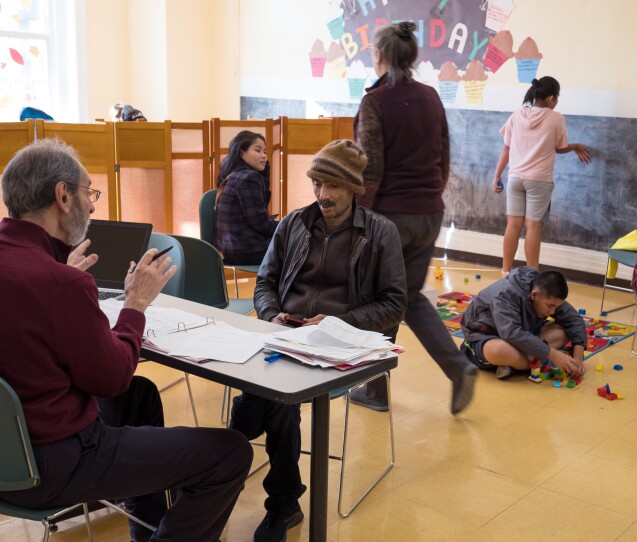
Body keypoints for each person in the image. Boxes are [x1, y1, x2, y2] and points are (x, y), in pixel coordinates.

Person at [0, 140, 253, 542]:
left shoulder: (46, 274)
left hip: (10, 451)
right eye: (89, 193)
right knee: (230, 454)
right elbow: (110, 377)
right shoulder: (61, 284)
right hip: (53, 464)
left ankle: (145, 529)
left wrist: (60, 275)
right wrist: (135, 304)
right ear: (63, 197)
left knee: (138, 397)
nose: (93, 206)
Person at [235, 139, 406, 542]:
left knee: (273, 399)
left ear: (353, 189)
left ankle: (272, 496)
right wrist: (270, 312)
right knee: (270, 393)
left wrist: (338, 321)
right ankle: (277, 497)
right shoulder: (294, 223)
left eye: (333, 187)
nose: (323, 195)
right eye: (316, 183)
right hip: (286, 333)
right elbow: (265, 282)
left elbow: (394, 305)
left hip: (341, 340)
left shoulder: (381, 233)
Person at [354, 21, 477, 415]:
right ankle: (456, 368)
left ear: (380, 56)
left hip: (390, 214)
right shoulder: (430, 97)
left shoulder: (375, 100)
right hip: (428, 211)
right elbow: (444, 156)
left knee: (380, 298)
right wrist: (430, 196)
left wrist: (362, 218)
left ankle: (375, 387)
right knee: (404, 297)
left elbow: (370, 168)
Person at [492, 76, 592, 275]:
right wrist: (576, 147)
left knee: (513, 225)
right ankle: (531, 275)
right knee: (533, 228)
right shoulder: (556, 118)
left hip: (515, 178)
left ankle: (505, 273)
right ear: (552, 99)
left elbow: (506, 148)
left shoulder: (516, 115)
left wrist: (497, 176)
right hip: (539, 181)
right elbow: (560, 147)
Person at [459, 267, 587, 380]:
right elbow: (511, 333)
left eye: (556, 307)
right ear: (534, 295)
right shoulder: (505, 294)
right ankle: (539, 362)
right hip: (485, 338)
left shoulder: (547, 294)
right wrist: (552, 354)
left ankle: (517, 365)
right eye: (550, 306)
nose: (552, 311)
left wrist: (578, 358)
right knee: (500, 350)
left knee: (565, 331)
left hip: (523, 337)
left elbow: (574, 320)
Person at [214, 130, 278, 265]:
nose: (264, 156)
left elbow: (261, 208)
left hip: (227, 250)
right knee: (300, 245)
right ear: (242, 153)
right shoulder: (250, 178)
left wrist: (264, 173)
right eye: (258, 150)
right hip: (246, 251)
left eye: (265, 152)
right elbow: (260, 222)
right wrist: (285, 228)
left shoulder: (233, 175)